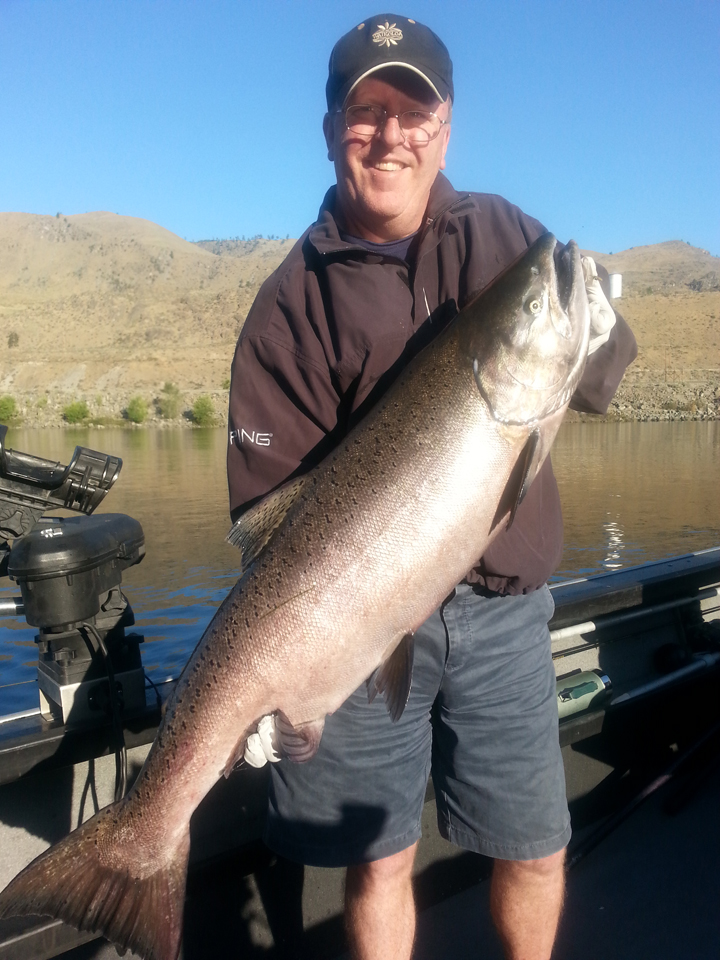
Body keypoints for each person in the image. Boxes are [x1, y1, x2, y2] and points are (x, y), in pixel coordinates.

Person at [227, 14, 637, 960]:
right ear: (331, 129)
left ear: (445, 127)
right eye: (365, 112)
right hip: (354, 627)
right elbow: (268, 527)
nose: (390, 135)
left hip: (503, 616)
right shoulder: (287, 306)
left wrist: (597, 318)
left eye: (413, 111)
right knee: (379, 862)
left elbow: (603, 373)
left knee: (537, 851)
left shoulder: (510, 236)